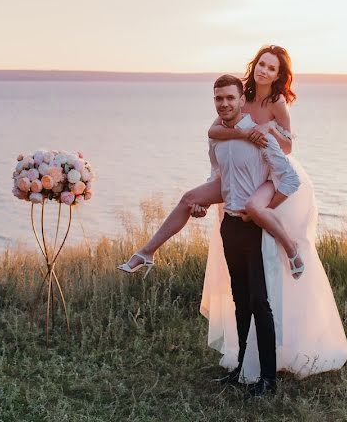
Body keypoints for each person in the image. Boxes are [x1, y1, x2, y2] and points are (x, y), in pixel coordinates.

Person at [118, 45, 304, 277]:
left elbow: (287, 148)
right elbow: (213, 131)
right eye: (261, 64)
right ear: (254, 65)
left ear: (278, 75)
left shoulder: (277, 103)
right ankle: (147, 252)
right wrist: (245, 133)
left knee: (254, 208)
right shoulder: (240, 96)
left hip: (268, 174)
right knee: (189, 199)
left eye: (271, 68)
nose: (263, 70)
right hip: (239, 169)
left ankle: (291, 249)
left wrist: (269, 129)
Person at [205, 74, 299, 396]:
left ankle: (268, 379)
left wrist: (261, 209)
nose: (225, 104)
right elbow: (216, 176)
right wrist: (202, 205)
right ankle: (243, 369)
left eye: (231, 98)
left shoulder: (260, 137)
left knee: (261, 302)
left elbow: (289, 180)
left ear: (241, 100)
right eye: (219, 99)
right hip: (229, 227)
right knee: (240, 301)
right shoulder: (216, 138)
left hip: (254, 228)